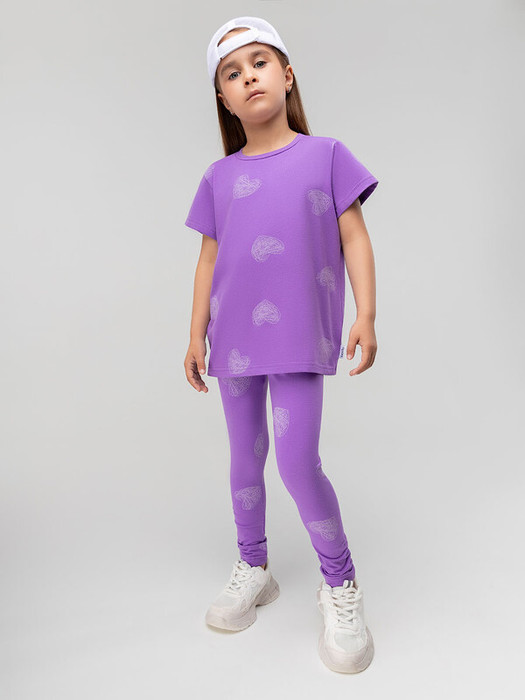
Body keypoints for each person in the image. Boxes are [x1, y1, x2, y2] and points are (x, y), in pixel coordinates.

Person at [183, 16, 379, 674]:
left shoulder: (326, 156)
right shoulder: (217, 176)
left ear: (287, 75)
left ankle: (340, 582)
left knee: (297, 463)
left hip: (297, 334)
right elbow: (208, 261)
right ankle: (253, 566)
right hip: (232, 340)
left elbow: (353, 236)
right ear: (223, 98)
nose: (248, 78)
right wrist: (194, 334)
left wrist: (366, 313)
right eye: (232, 73)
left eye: (259, 62)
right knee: (244, 461)